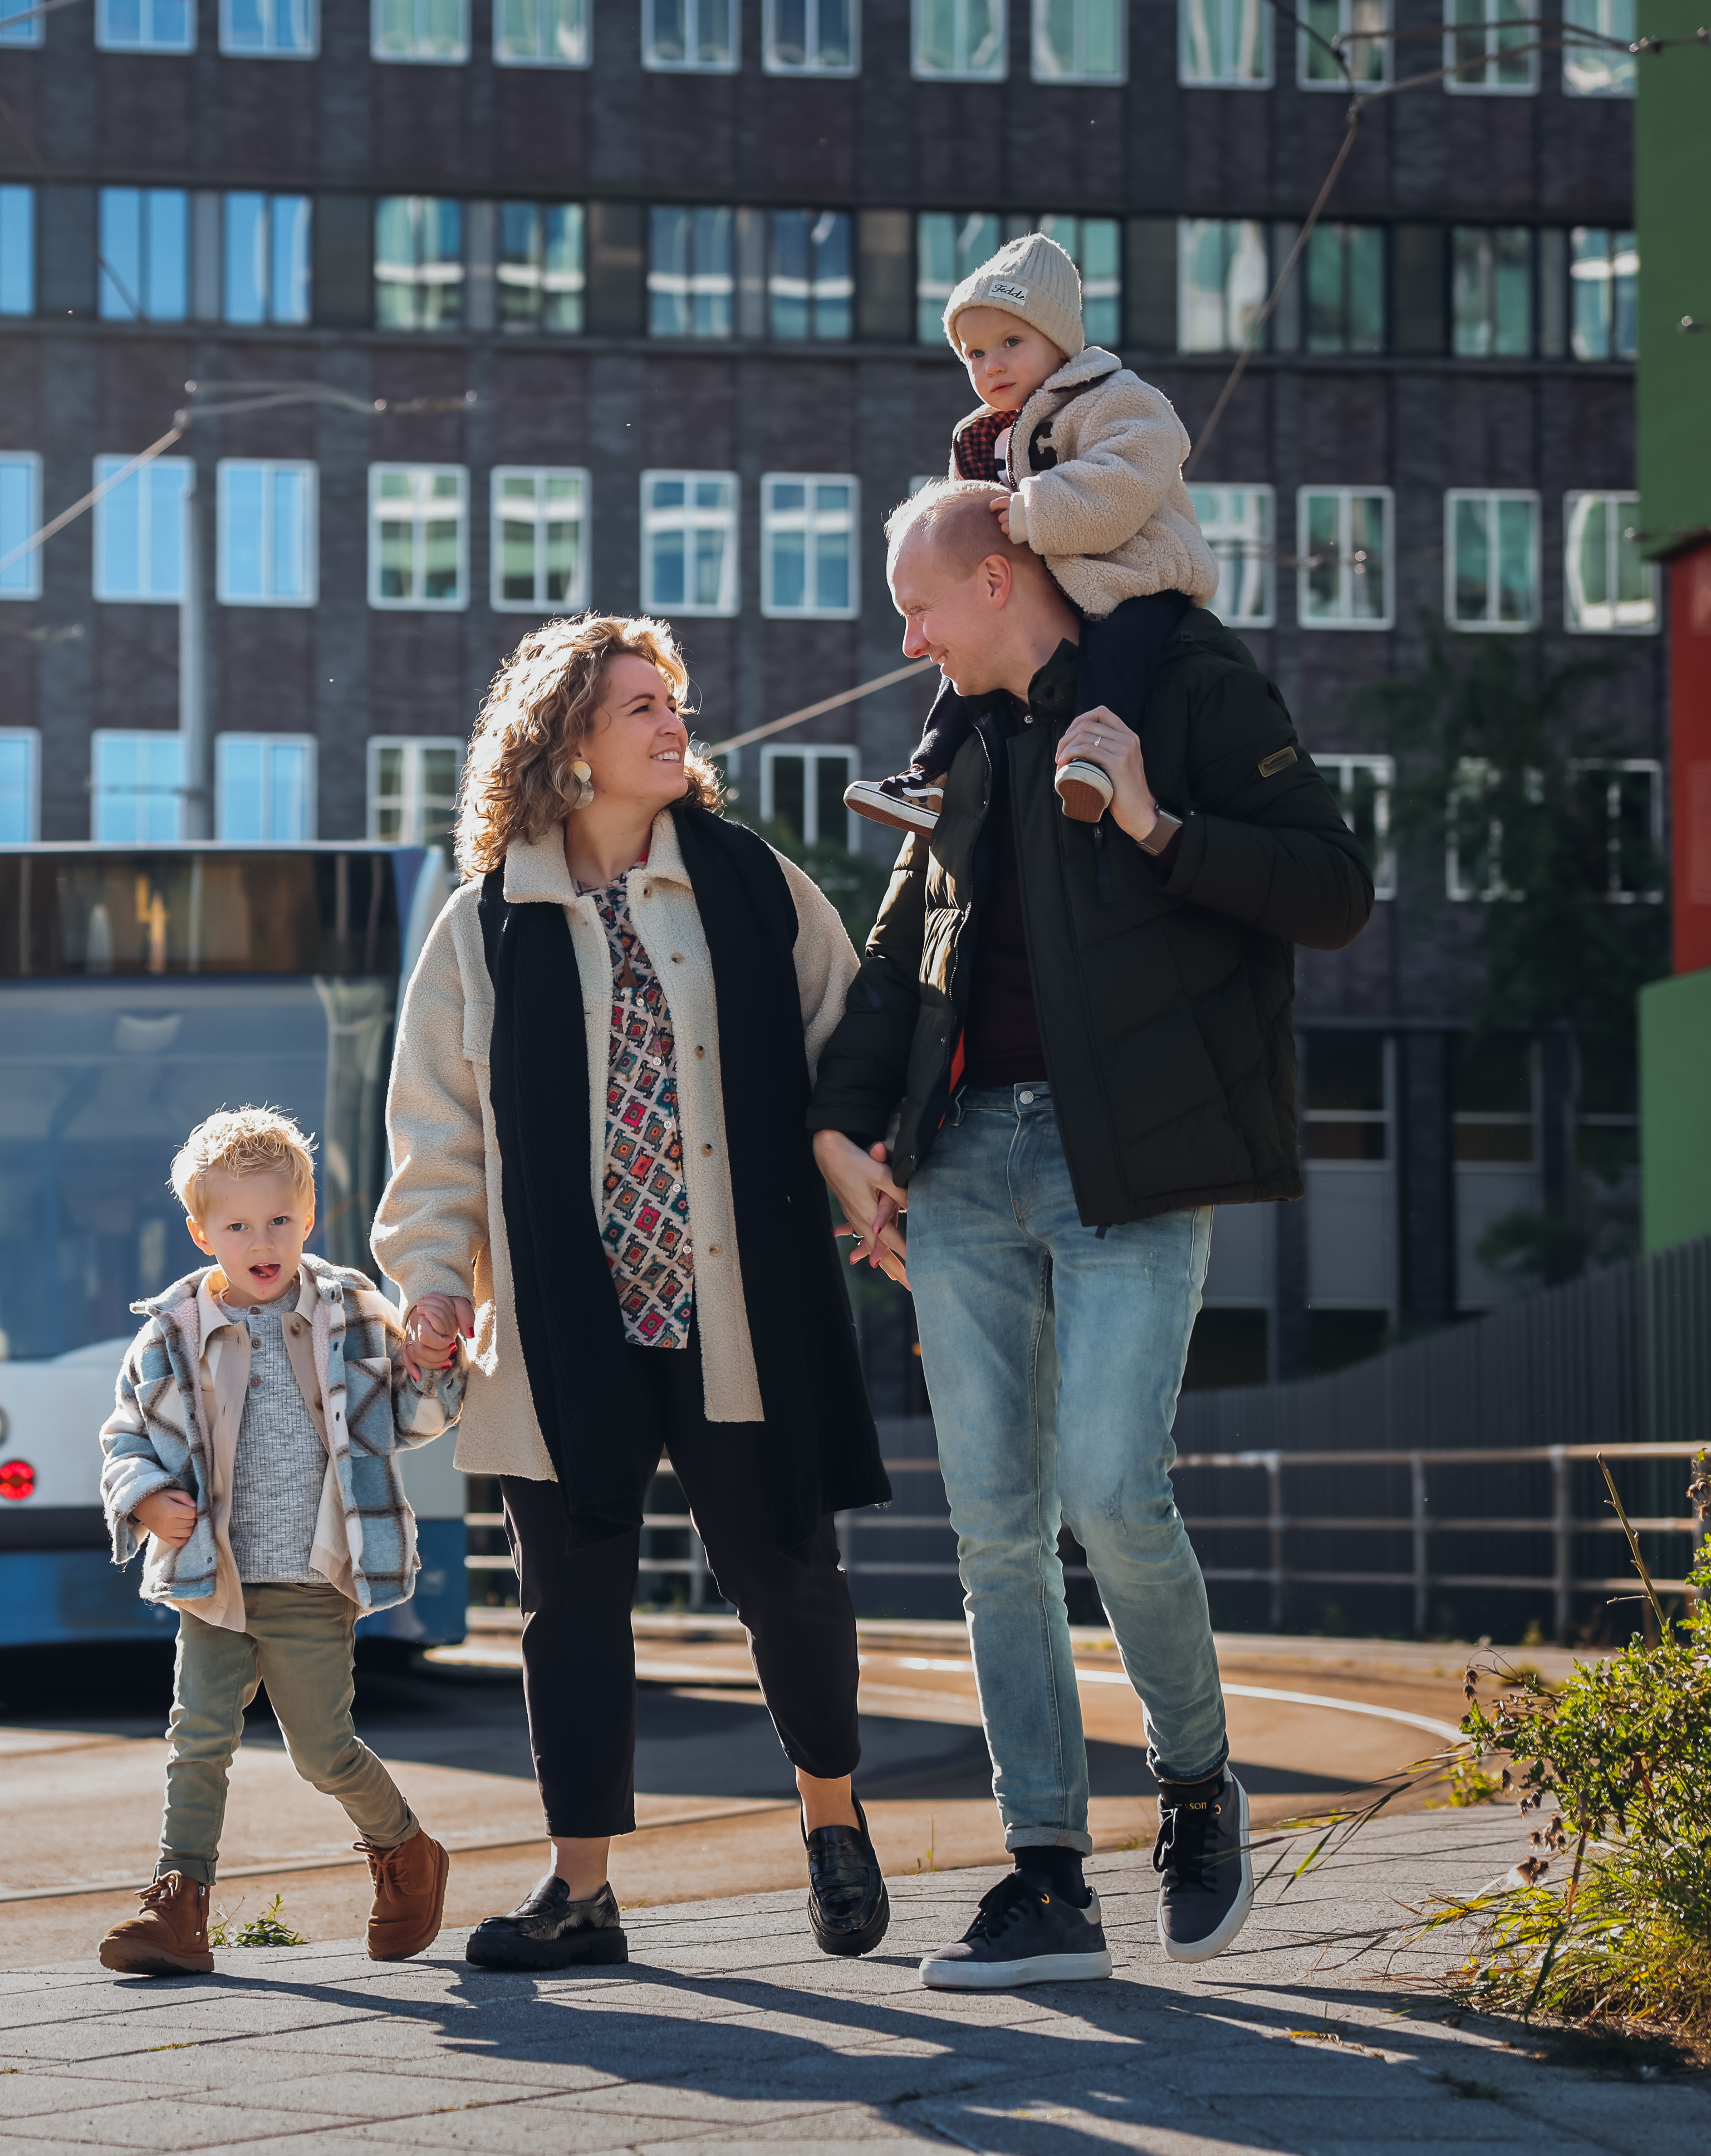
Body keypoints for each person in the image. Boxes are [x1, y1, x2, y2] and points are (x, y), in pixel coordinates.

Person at [808, 482, 1375, 1991]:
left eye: (920, 609)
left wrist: (1153, 821)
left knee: (1115, 1489)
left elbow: (1333, 889)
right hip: (967, 1165)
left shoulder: (1182, 686)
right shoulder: (968, 740)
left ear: (1000, 579)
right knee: (995, 1527)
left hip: (1132, 1160)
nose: (910, 639)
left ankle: (1196, 1788)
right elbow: (901, 951)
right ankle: (1046, 1873)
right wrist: (838, 1133)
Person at [375, 614, 895, 1973]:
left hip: (741, 1304)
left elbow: (849, 1045)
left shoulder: (749, 881)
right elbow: (437, 1133)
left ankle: (832, 1827)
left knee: (784, 1573)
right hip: (564, 1323)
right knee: (570, 1599)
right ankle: (579, 1889)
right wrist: (433, 1286)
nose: (672, 724)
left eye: (673, 704)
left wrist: (869, 1179)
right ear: (562, 746)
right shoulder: (484, 923)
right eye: (635, 708)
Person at [95, 1106, 467, 1978]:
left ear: (308, 1220)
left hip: (312, 1577)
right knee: (198, 1741)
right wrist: (148, 1501)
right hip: (212, 1577)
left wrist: (433, 1360)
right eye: (237, 1225)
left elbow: (413, 1422)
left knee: (321, 1751)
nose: (261, 1240)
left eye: (279, 1221)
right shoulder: (170, 1332)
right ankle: (178, 1906)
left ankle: (408, 1852)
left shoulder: (353, 1315)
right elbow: (124, 1440)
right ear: (202, 1232)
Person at [845, 231, 1222, 840]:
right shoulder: (980, 435)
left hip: (1135, 576)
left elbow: (1124, 482)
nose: (990, 364)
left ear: (1061, 342)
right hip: (1049, 594)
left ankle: (1094, 760)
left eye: (1010, 343)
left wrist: (1033, 510)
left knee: (1118, 649)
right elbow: (962, 524)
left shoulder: (1117, 400)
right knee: (964, 663)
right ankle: (929, 775)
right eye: (973, 353)